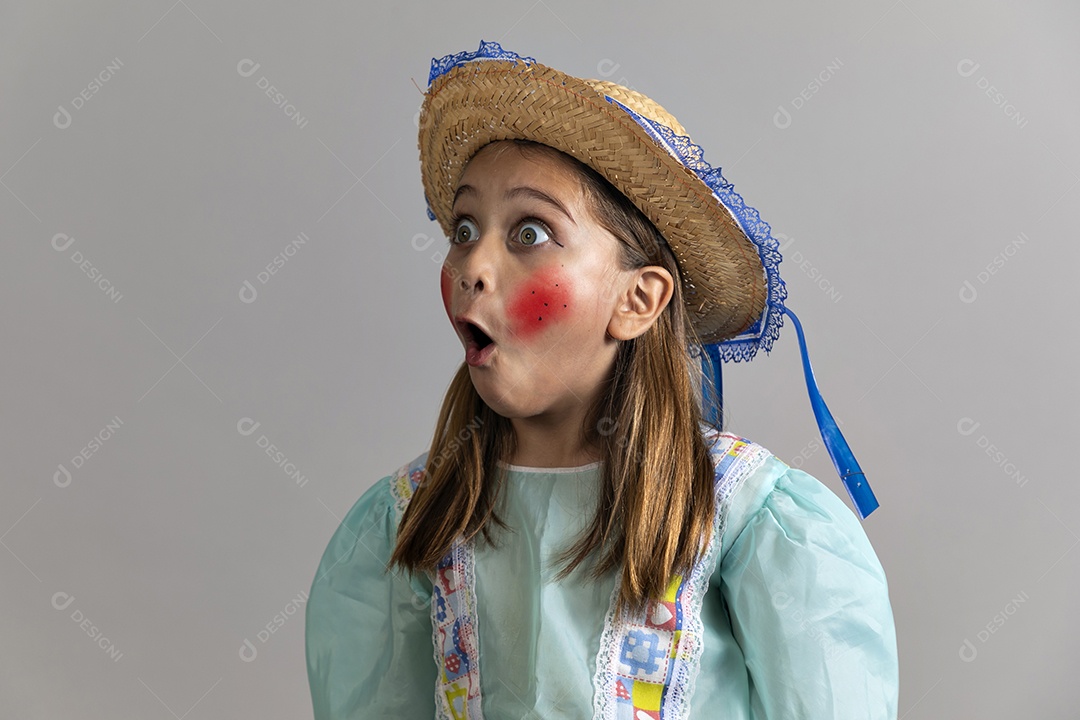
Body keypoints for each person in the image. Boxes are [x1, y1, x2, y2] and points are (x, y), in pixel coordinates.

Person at [305, 41, 898, 719]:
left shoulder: (751, 524)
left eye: (529, 233)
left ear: (638, 301)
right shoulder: (408, 524)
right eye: (465, 228)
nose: (472, 263)